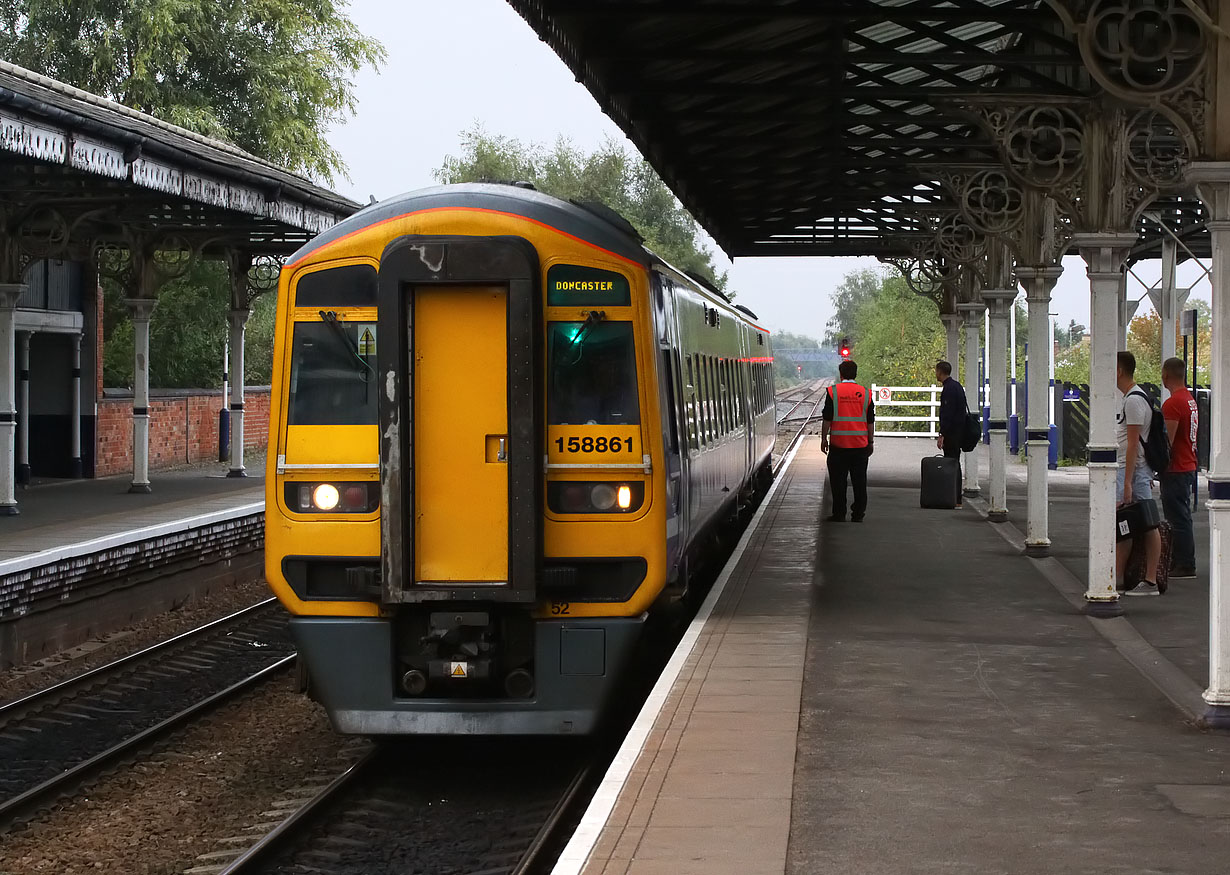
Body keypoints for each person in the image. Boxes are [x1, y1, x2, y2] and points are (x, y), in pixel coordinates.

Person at [1115, 350, 1163, 596]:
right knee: (1127, 524)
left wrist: (1127, 482)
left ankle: (1150, 580)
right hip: (1133, 470)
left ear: (1120, 370)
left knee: (1146, 523)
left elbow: (1133, 443)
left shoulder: (1133, 400)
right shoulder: (1135, 397)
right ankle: (1119, 576)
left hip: (1133, 470)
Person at [821, 359, 875, 522]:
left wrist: (824, 439)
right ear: (856, 374)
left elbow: (827, 419)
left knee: (838, 482)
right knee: (860, 481)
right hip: (860, 445)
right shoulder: (866, 394)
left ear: (841, 374)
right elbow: (870, 421)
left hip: (839, 445)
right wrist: (870, 442)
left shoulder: (833, 392)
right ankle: (858, 514)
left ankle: (839, 513)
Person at [1160, 356, 1198, 579]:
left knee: (1177, 519)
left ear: (1166, 376)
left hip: (1176, 468)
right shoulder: (1190, 400)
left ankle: (1183, 563)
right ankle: (1185, 560)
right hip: (1188, 464)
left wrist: (1158, 463)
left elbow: (1168, 441)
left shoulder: (1173, 404)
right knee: (1183, 516)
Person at [934, 360, 966, 509]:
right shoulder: (957, 386)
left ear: (940, 371)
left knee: (951, 464)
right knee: (955, 463)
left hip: (952, 434)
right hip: (959, 432)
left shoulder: (948, 389)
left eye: (936, 371)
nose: (936, 374)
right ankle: (956, 497)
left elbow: (947, 414)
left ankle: (954, 497)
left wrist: (942, 434)